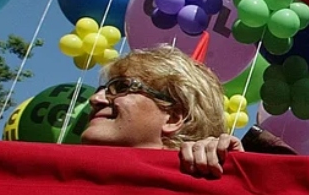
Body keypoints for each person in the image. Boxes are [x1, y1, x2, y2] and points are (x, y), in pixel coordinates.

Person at [81, 45, 227, 151]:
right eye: (102, 89)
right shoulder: (63, 177)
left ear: (173, 118)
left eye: (121, 87)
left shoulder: (203, 190)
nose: (95, 99)